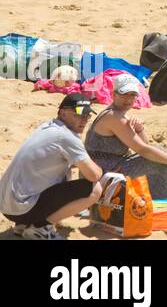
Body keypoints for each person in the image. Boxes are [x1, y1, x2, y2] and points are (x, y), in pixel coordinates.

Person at [0, 94, 105, 239]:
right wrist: (102, 170)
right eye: (79, 114)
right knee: (95, 189)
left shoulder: (47, 126)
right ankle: (40, 228)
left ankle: (24, 225)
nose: (84, 120)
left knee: (64, 173)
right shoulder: (66, 137)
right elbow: (94, 175)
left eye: (87, 115)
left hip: (7, 206)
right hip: (23, 208)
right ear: (62, 113)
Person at [84, 75, 167, 199]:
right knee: (161, 160)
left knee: (158, 152)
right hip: (102, 174)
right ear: (113, 95)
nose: (129, 99)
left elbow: (146, 146)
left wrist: (139, 129)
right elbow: (143, 150)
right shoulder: (114, 117)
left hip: (109, 168)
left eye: (133, 95)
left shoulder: (118, 114)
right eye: (124, 94)